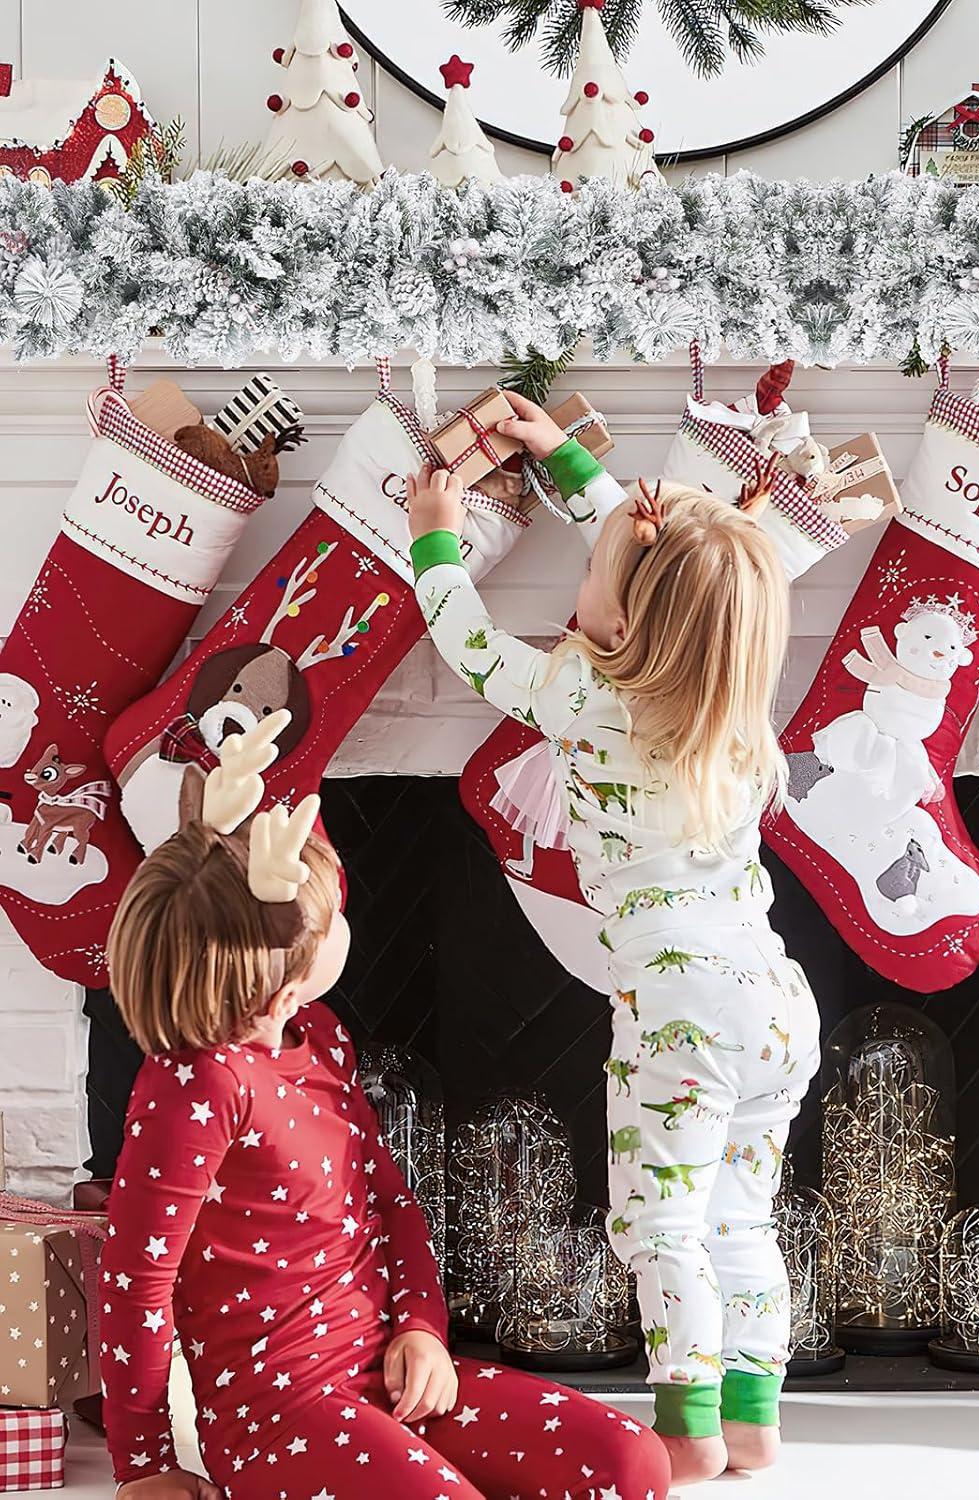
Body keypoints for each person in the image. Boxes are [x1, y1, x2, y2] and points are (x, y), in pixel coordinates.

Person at [99, 711, 669, 1500]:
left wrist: (422, 1328)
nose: (347, 916)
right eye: (332, 916)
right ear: (282, 972)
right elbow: (137, 1283)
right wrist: (147, 1466)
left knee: (630, 1461)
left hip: (384, 1368)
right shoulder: (196, 1088)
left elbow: (388, 1196)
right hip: (280, 1412)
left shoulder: (321, 1033)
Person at [407, 397, 820, 1485]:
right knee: (744, 1219)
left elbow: (468, 645)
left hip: (678, 1012)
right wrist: (567, 458)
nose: (582, 573)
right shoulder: (732, 706)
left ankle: (683, 1436)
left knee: (662, 1229)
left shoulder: (583, 693)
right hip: (775, 1003)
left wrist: (435, 534)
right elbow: (659, 577)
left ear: (621, 627)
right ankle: (752, 1422)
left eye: (594, 566)